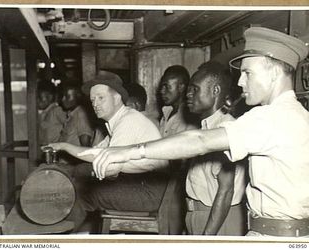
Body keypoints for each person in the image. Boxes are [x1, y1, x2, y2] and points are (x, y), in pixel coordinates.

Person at [80, 27, 309, 237]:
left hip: (276, 236)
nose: (240, 81)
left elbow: (200, 141)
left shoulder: (272, 117)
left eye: (248, 73)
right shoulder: (294, 115)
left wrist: (127, 152)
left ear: (274, 73)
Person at [47, 70, 168, 231]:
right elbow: (96, 153)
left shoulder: (129, 121)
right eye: (92, 99)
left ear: (117, 97)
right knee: (81, 173)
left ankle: (62, 237)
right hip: (139, 182)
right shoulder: (117, 122)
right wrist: (64, 148)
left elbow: (111, 170)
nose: (95, 104)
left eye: (101, 98)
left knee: (86, 193)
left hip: (149, 191)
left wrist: (83, 171)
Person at [184, 61, 246, 235]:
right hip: (201, 215)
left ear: (215, 91)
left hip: (218, 220)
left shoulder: (224, 130)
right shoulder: (207, 127)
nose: (188, 94)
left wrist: (207, 238)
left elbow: (226, 191)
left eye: (194, 89)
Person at [158, 65, 197, 137]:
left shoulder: (190, 118)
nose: (162, 91)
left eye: (167, 86)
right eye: (162, 86)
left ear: (181, 87)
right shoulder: (166, 112)